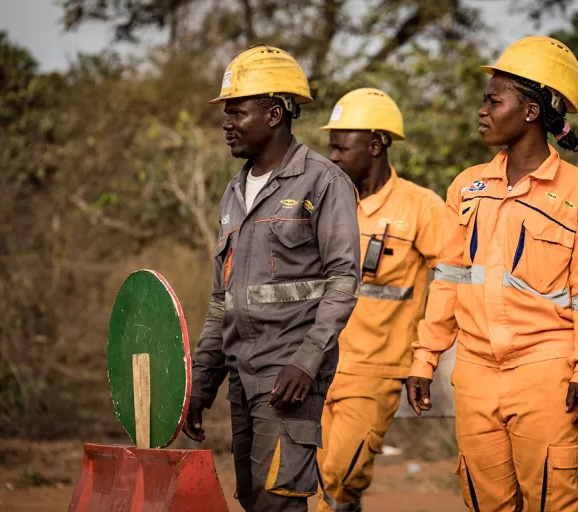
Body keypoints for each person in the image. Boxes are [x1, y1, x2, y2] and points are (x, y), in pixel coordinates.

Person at [406, 36, 578, 511]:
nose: (482, 110)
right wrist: (424, 358)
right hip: (475, 371)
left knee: (547, 501)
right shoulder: (467, 187)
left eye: (493, 100)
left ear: (531, 111)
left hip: (546, 371)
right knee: (485, 502)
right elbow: (449, 280)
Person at [183, 45, 361, 512]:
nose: (227, 123)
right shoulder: (234, 192)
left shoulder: (322, 181)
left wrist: (306, 361)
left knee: (278, 502)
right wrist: (203, 379)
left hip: (289, 374)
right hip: (242, 373)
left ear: (275, 113)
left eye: (237, 112)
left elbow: (343, 280)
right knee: (253, 498)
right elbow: (223, 299)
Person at [316, 88, 444, 511]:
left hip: (375, 371)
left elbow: (457, 280)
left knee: (340, 476)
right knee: (303, 481)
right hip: (314, 367)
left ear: (375, 145)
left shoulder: (422, 208)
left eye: (341, 147)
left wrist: (424, 359)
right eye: (330, 147)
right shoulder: (323, 203)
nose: (332, 157)